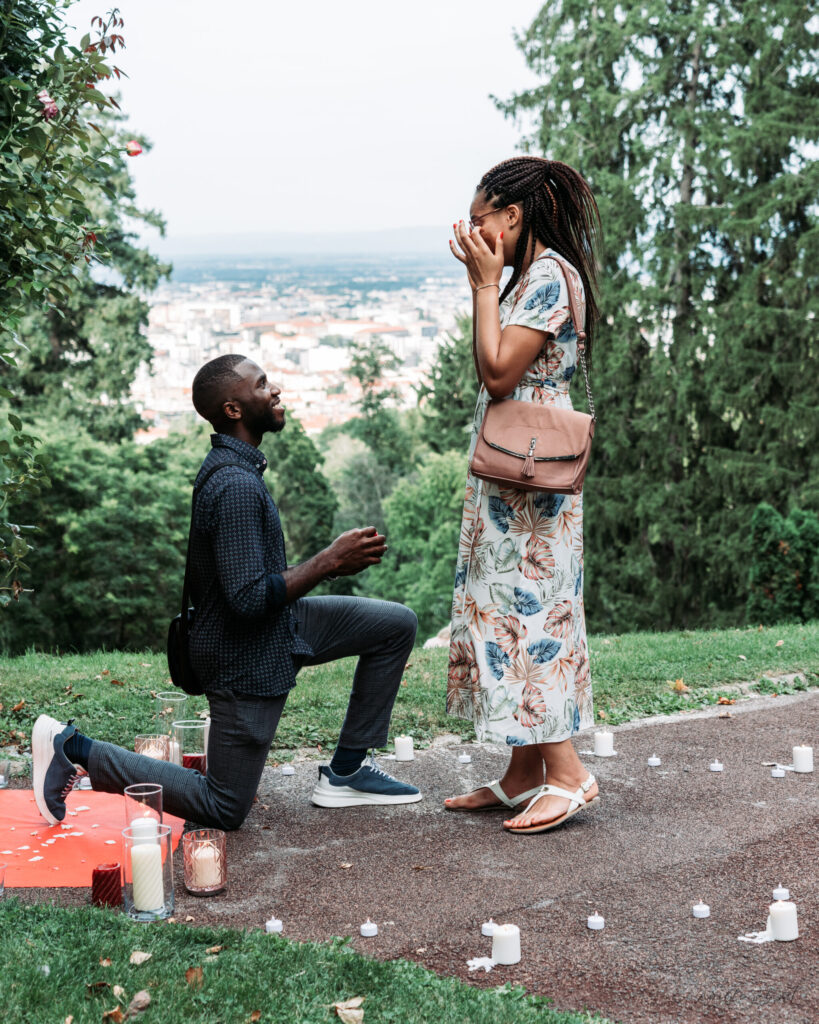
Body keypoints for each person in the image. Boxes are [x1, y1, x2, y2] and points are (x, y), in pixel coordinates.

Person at [32, 354, 421, 830]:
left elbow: (254, 589)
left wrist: (323, 567)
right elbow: (248, 599)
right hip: (245, 656)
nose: (274, 389)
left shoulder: (235, 468)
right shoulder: (235, 485)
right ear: (234, 409)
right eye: (262, 385)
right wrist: (329, 561)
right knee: (223, 807)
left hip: (280, 626)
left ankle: (346, 772)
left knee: (394, 624)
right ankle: (72, 748)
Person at [444, 156, 602, 834]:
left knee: (528, 615)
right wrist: (488, 281)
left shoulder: (545, 277)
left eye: (480, 218)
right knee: (497, 607)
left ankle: (568, 774)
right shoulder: (528, 277)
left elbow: (498, 371)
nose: (470, 230)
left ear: (512, 215)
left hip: (531, 478)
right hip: (512, 474)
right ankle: (522, 770)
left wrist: (482, 286)